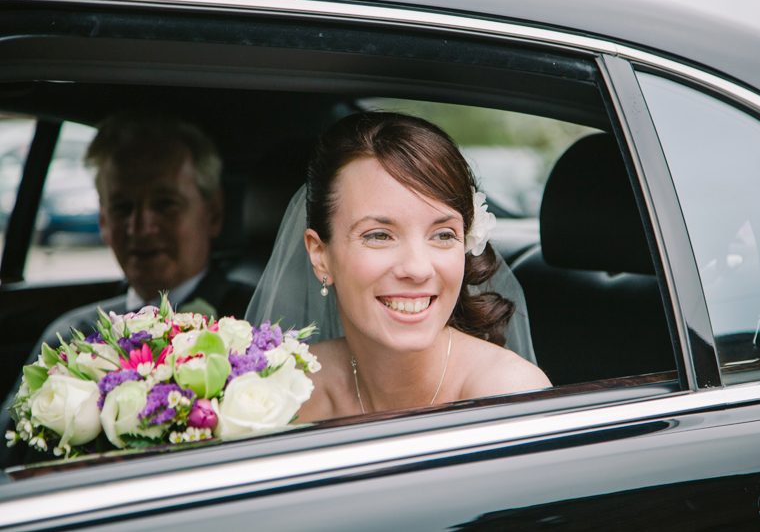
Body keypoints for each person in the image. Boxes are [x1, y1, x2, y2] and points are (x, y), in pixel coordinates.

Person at [248, 112, 550, 421]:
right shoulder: (286, 390)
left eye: (443, 235)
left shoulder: (507, 395)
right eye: (379, 236)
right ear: (320, 255)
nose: (418, 270)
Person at [35, 110, 255, 351]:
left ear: (213, 213)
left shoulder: (255, 328)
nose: (141, 228)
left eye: (165, 204)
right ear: (103, 222)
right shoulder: (70, 340)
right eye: (122, 207)